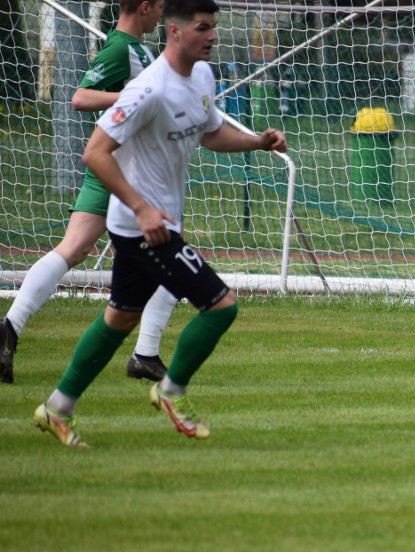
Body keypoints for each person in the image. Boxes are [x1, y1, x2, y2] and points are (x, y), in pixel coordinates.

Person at [33, 0, 287, 447]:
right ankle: (171, 391)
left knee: (119, 320)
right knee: (222, 305)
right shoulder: (146, 90)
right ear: (173, 30)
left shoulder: (204, 76)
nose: (212, 36)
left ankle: (57, 408)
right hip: (144, 227)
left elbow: (209, 133)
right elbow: (94, 153)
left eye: (214, 28)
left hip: (154, 222)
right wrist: (143, 207)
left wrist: (256, 143)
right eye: (203, 28)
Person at [0, 0, 172, 385]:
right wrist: (132, 99)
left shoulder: (140, 48)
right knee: (168, 256)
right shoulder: (119, 49)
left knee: (75, 249)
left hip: (125, 167)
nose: (161, 13)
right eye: (158, 6)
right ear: (143, 7)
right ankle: (145, 353)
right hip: (122, 172)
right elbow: (80, 97)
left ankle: (9, 327)